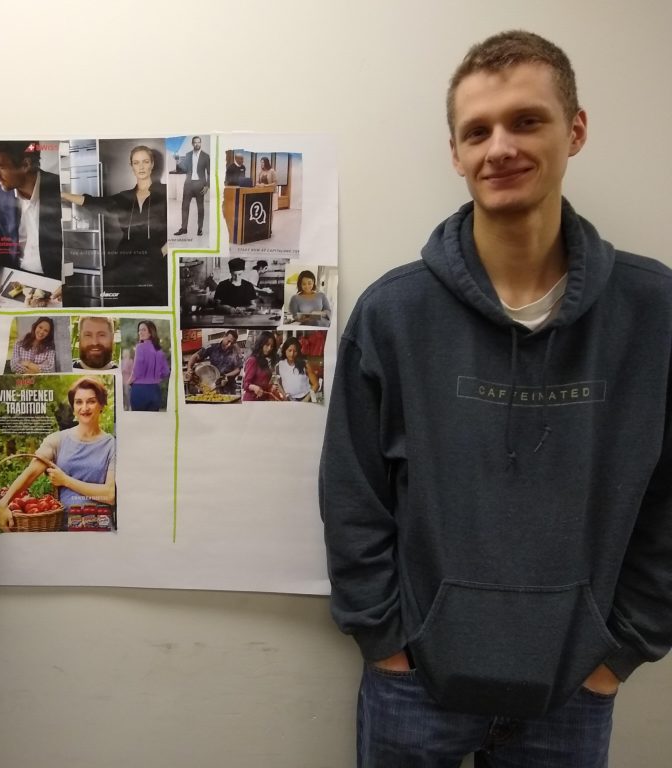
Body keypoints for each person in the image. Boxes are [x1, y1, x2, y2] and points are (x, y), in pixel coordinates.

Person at [319, 30, 672, 767]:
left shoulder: (654, 312)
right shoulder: (394, 313)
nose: (499, 147)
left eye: (527, 120)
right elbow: (352, 495)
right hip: (413, 690)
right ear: (455, 152)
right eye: (477, 131)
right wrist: (385, 644)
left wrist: (625, 650)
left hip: (573, 689)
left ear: (575, 130)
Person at [0, 377, 116, 531]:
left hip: (101, 527)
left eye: (91, 401)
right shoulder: (57, 440)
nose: (84, 407)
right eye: (79, 402)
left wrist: (65, 480)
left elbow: (109, 495)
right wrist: (3, 503)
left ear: (101, 405)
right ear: (73, 407)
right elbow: (31, 473)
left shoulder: (111, 445)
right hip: (65, 527)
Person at [61, 145, 167, 306]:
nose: (141, 166)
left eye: (145, 161)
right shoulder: (124, 197)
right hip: (124, 265)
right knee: (126, 304)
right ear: (131, 166)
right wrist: (62, 194)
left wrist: (161, 253)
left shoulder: (166, 194)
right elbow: (94, 202)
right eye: (136, 162)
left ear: (152, 164)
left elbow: (181, 230)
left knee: (154, 305)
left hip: (155, 266)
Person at [0, 140, 63, 297]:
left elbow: (79, 247)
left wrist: (73, 283)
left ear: (25, 165)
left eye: (1, 167)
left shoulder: (62, 190)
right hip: (14, 275)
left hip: (55, 281)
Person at [128, 321, 170, 411]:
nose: (140, 332)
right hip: (155, 390)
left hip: (140, 390)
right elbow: (166, 372)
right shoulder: (159, 350)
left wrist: (129, 382)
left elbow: (136, 370)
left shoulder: (140, 347)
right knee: (153, 422)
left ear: (151, 332)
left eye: (144, 330)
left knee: (139, 421)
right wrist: (155, 378)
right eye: (139, 330)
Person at [186, 330, 242, 395]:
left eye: (232, 343)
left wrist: (225, 376)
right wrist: (189, 369)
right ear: (224, 337)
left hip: (229, 388)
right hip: (213, 386)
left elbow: (238, 370)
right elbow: (195, 356)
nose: (229, 345)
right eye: (228, 341)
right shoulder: (212, 347)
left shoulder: (236, 352)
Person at [174, 136, 210, 237]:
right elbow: (182, 168)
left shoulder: (206, 156)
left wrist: (207, 186)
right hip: (188, 185)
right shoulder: (188, 155)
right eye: (195, 142)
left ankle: (200, 229)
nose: (197, 144)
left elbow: (210, 172)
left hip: (200, 185)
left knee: (200, 208)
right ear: (192, 144)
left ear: (201, 143)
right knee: (184, 206)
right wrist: (177, 160)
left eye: (198, 142)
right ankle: (184, 228)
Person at [276, 337, 316, 402]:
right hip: (289, 400)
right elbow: (279, 383)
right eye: (289, 350)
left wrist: (307, 399)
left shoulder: (305, 364)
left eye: (295, 351)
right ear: (285, 350)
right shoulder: (279, 366)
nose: (292, 354)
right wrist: (285, 397)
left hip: (306, 398)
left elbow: (316, 384)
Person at [242, 331, 278, 401]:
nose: (270, 348)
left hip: (262, 399)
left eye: (272, 346)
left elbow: (262, 382)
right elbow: (245, 384)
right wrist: (255, 388)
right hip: (251, 401)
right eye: (267, 345)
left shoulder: (265, 360)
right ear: (261, 344)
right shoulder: (253, 360)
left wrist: (271, 386)